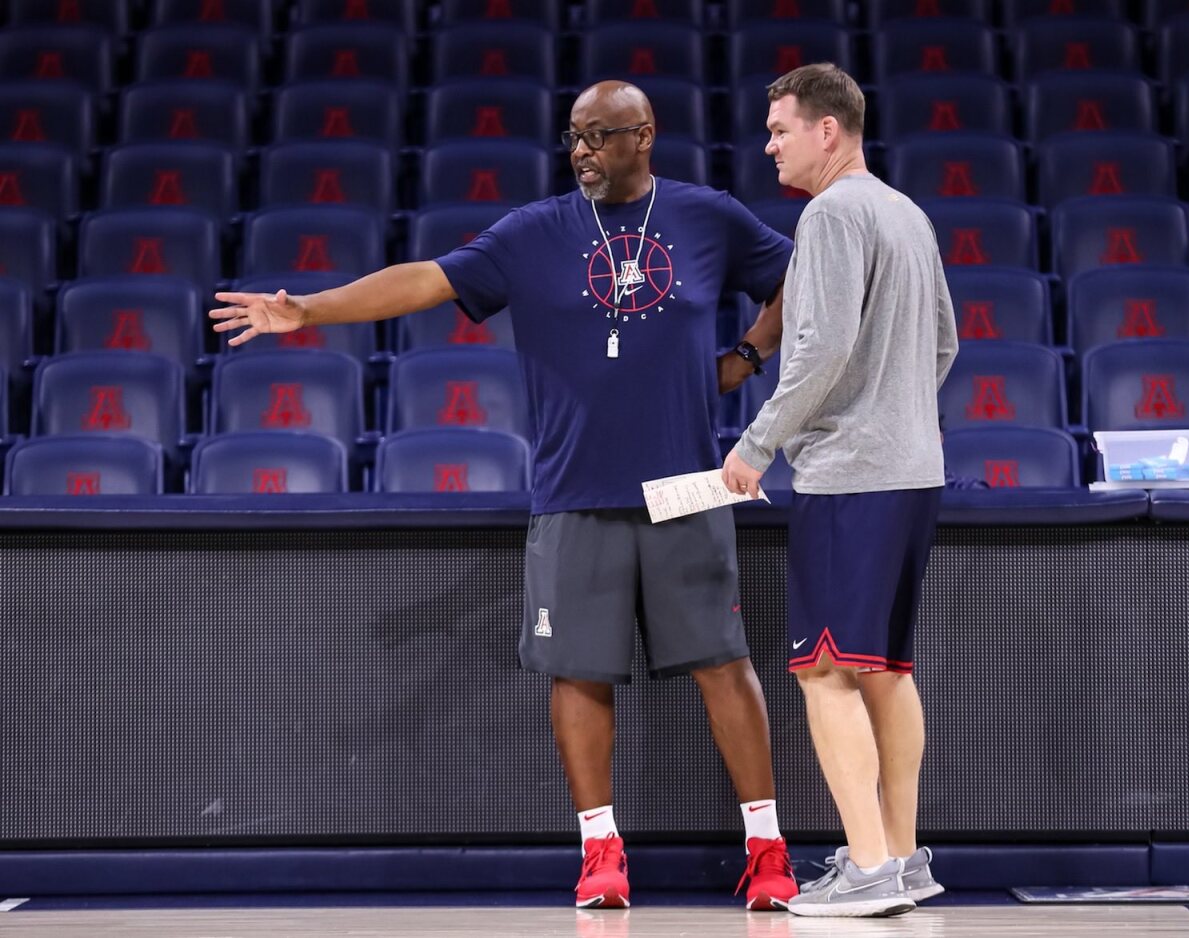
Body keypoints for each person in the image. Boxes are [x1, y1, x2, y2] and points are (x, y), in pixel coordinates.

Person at [210, 81, 799, 912]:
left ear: (645, 135)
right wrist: (307, 309)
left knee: (724, 665)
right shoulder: (536, 232)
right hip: (573, 489)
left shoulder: (707, 216)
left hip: (685, 484)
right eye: (574, 138)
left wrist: (745, 354)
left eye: (600, 136)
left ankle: (768, 852)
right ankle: (601, 853)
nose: (584, 151)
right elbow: (424, 280)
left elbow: (797, 277)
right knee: (578, 671)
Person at [721, 63, 959, 918]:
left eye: (781, 128)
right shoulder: (907, 212)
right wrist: (894, 415)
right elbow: (944, 345)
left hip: (851, 480)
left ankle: (866, 868)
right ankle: (900, 858)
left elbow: (815, 353)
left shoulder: (829, 214)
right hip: (913, 471)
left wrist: (756, 446)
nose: (769, 143)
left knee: (824, 670)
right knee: (887, 671)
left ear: (829, 131)